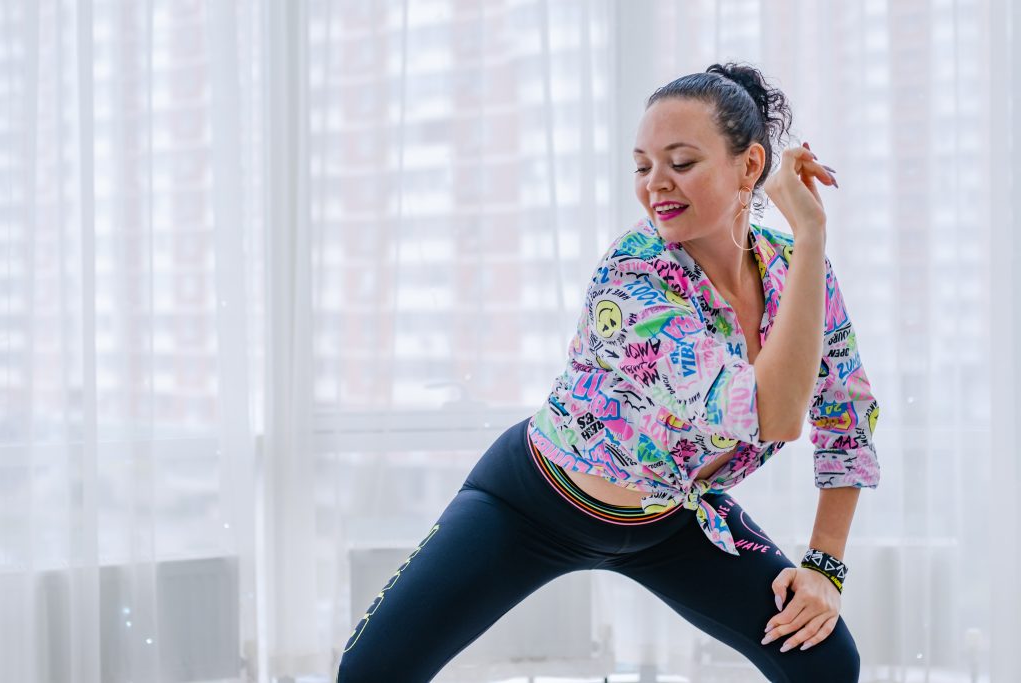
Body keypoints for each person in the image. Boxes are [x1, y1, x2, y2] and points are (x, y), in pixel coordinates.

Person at [336, 61, 880, 683]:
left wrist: (825, 568)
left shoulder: (796, 273)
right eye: (642, 166)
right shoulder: (631, 279)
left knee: (827, 664)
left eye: (681, 162)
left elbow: (846, 420)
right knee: (369, 673)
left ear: (750, 166)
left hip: (676, 515)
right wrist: (812, 236)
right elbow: (774, 414)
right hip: (532, 503)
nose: (656, 186)